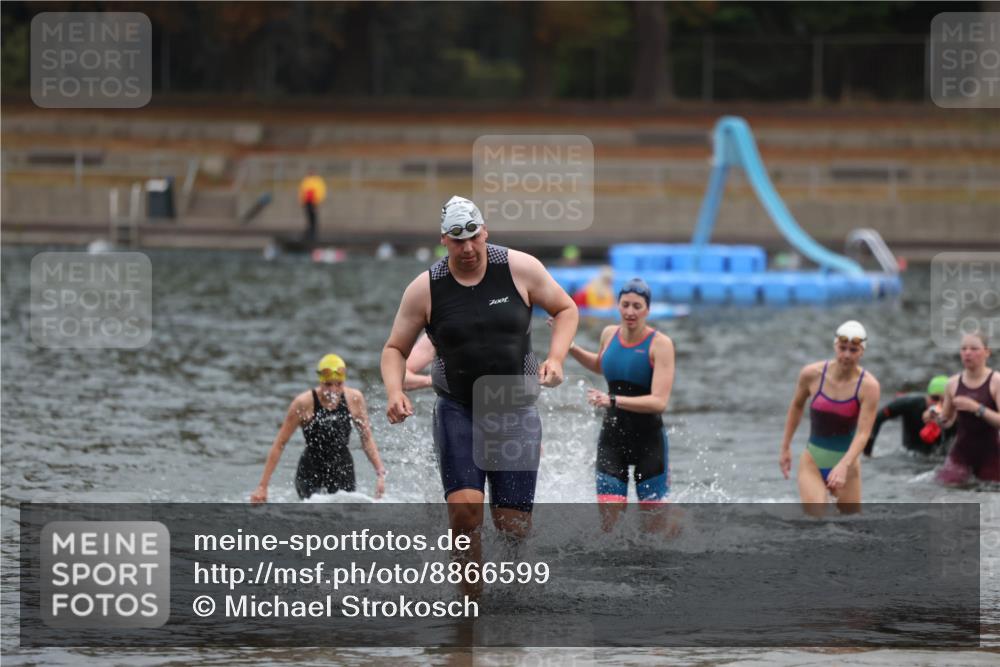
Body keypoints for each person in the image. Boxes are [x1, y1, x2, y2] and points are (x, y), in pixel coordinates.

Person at [380, 195, 578, 592]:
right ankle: (470, 602)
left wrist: (556, 359)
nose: (468, 248)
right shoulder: (425, 288)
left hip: (515, 409)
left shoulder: (520, 268)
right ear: (443, 240)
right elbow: (394, 349)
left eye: (474, 236)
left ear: (485, 231)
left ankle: (517, 590)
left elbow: (565, 309)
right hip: (459, 410)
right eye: (457, 240)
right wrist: (394, 391)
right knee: (465, 513)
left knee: (512, 524)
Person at [565, 278, 675, 531]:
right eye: (625, 305)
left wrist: (612, 400)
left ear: (647, 310)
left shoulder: (661, 344)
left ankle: (676, 524)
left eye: (637, 306)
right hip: (613, 438)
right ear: (618, 306)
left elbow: (659, 402)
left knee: (653, 533)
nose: (630, 312)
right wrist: (570, 347)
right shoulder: (609, 334)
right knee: (610, 529)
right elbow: (601, 364)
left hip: (649, 441)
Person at [251, 354, 386, 503]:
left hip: (342, 468)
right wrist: (263, 486)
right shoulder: (303, 403)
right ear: (320, 380)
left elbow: (366, 438)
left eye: (339, 384)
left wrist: (380, 473)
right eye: (328, 384)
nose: (333, 390)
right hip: (310, 470)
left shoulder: (354, 399)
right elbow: (280, 444)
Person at [779, 321, 880, 515]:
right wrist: (785, 447)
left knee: (852, 530)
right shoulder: (811, 374)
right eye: (842, 348)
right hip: (813, 462)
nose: (847, 355)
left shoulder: (869, 386)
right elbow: (797, 406)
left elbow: (863, 433)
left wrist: (843, 465)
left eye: (853, 350)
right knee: (817, 523)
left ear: (862, 352)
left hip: (847, 466)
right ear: (835, 346)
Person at [933, 332, 1000, 485]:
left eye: (974, 349)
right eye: (964, 349)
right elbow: (947, 421)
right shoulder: (952, 383)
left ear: (987, 352)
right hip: (961, 454)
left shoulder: (996, 381)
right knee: (944, 490)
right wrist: (937, 419)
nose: (968, 353)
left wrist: (977, 408)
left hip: (991, 455)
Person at [863, 375, 954, 457]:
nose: (938, 404)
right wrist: (868, 454)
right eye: (935, 398)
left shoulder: (957, 414)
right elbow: (878, 418)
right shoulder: (910, 403)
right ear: (927, 396)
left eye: (945, 400)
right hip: (908, 457)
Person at [298, 169, 327, 244]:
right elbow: (302, 191)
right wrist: (302, 200)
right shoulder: (306, 180)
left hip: (314, 201)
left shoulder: (318, 181)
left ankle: (314, 232)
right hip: (307, 201)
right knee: (309, 216)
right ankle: (309, 231)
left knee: (314, 216)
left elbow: (321, 191)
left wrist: (318, 200)